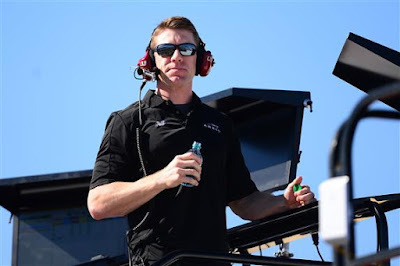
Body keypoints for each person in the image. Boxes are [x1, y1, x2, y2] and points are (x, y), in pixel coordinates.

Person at [87, 16, 315, 266]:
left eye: (186, 49)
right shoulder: (128, 121)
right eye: (165, 50)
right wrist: (162, 178)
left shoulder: (220, 124)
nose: (177, 57)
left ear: (201, 60)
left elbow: (244, 201)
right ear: (151, 61)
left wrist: (283, 202)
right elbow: (99, 203)